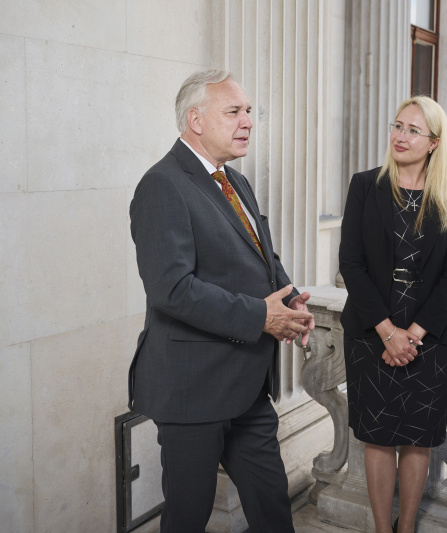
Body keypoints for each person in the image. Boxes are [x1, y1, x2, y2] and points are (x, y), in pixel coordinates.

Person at [128, 69, 314, 533]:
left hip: (248, 387)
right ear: (195, 119)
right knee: (188, 518)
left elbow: (261, 255)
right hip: (192, 389)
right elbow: (171, 289)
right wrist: (261, 317)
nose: (247, 121)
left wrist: (289, 299)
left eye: (249, 111)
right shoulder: (163, 185)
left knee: (273, 511)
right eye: (233, 111)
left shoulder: (234, 180)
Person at [339, 96, 447, 533]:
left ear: (434, 142)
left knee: (418, 440)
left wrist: (411, 334)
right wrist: (386, 332)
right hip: (369, 334)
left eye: (413, 130)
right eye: (397, 125)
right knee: (377, 438)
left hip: (429, 339)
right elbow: (351, 264)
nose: (400, 135)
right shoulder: (365, 185)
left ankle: (407, 527)